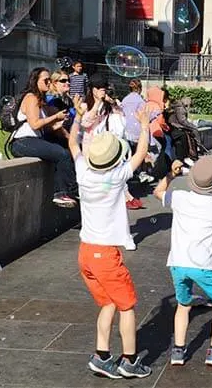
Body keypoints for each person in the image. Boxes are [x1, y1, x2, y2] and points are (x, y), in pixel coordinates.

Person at [67, 106, 153, 379]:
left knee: (108, 304)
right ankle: (130, 362)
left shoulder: (83, 171)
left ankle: (101, 356)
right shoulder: (116, 177)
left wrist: (78, 118)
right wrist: (143, 124)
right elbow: (141, 153)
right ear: (116, 158)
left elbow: (72, 142)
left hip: (85, 252)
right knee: (127, 306)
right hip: (106, 255)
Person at [152, 156, 212, 367]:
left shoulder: (180, 197)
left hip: (178, 263)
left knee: (184, 304)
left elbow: (157, 192)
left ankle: (178, 351)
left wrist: (171, 175)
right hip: (203, 266)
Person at [10, 67, 79, 208]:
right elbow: (35, 124)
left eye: (49, 80)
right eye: (46, 80)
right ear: (36, 81)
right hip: (22, 142)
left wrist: (57, 125)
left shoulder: (40, 100)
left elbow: (43, 127)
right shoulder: (31, 98)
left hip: (33, 140)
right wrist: (55, 117)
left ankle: (69, 191)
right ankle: (64, 193)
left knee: (63, 151)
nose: (49, 83)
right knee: (62, 154)